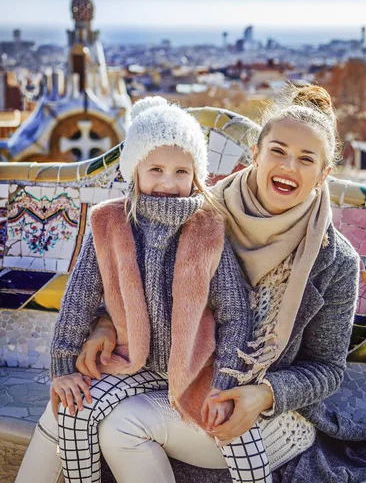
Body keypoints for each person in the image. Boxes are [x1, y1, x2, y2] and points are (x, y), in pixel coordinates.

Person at [17, 85, 366, 483]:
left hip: (261, 412)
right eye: (277, 150)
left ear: (323, 174)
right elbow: (138, 278)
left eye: (306, 159)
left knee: (122, 423)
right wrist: (104, 324)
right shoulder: (200, 210)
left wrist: (265, 393)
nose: (289, 166)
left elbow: (327, 368)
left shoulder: (333, 258)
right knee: (64, 410)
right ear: (255, 154)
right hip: (177, 380)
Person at [16, 96, 272, 483]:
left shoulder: (206, 229)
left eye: (181, 171)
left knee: (244, 449)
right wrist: (62, 367)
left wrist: (226, 380)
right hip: (131, 361)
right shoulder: (109, 223)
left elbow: (235, 313)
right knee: (71, 411)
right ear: (134, 170)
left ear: (196, 175)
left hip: (193, 369)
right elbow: (79, 300)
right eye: (155, 169)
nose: (168, 183)